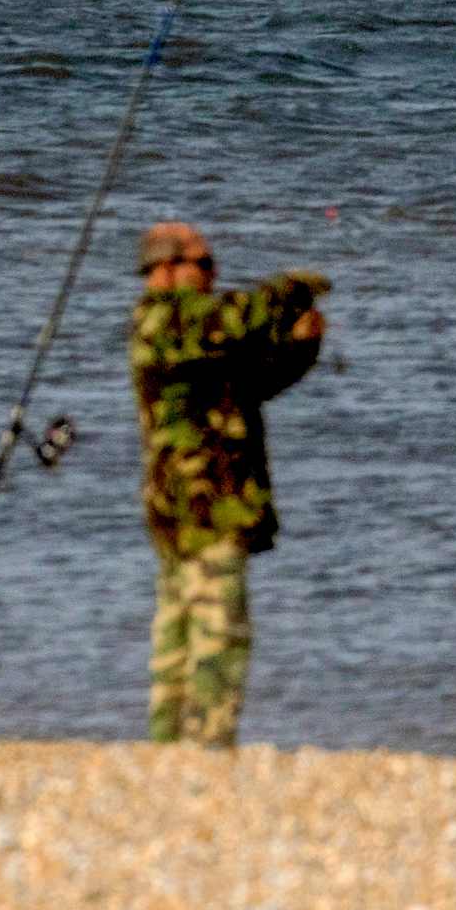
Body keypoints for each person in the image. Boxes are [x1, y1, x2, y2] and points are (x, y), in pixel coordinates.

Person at [129, 220, 324, 748]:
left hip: (188, 508)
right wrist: (293, 290)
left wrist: (301, 348)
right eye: (205, 263)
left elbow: (250, 385)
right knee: (219, 633)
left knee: (178, 633)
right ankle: (207, 745)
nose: (214, 274)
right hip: (202, 506)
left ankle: (168, 747)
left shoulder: (188, 334)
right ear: (167, 269)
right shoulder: (168, 321)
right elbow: (238, 317)